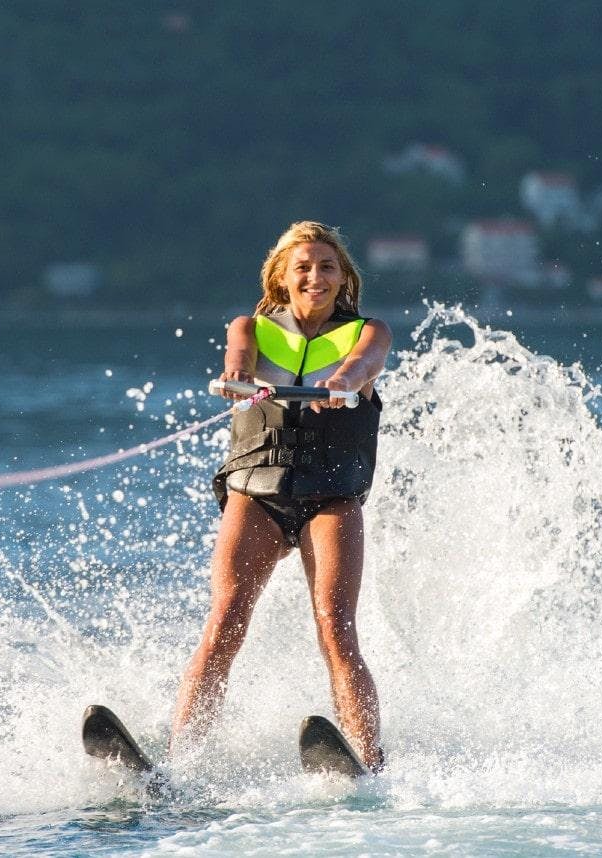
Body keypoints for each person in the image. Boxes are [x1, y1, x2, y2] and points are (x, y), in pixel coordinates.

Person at [170, 221, 392, 771]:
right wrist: (236, 377)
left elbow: (364, 364)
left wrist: (342, 381)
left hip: (331, 494)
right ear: (281, 279)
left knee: (336, 626)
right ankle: (181, 761)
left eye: (327, 267)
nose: (315, 277)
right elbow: (238, 357)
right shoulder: (250, 325)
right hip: (257, 491)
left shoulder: (369, 332)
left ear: (343, 278)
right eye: (304, 268)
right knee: (225, 619)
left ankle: (368, 761)